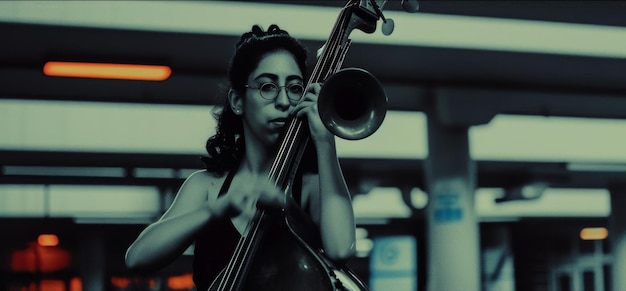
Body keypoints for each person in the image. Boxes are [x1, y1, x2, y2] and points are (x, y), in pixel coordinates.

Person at [125, 24, 357, 290]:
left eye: (294, 88)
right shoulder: (207, 187)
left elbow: (340, 249)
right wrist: (219, 207)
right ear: (237, 101)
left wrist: (326, 141)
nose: (284, 100)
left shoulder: (312, 187)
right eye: (268, 86)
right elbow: (137, 258)